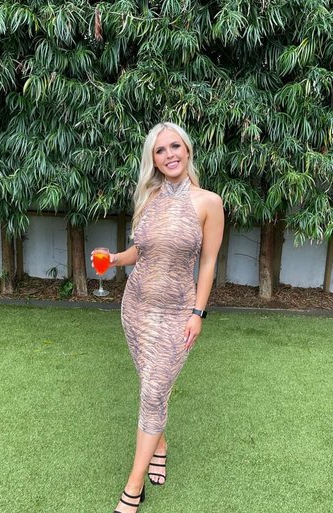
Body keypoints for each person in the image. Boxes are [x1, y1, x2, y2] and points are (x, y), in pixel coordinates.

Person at [94, 122, 224, 513]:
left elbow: (208, 262)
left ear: (188, 150)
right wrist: (115, 259)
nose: (170, 155)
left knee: (153, 392)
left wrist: (198, 313)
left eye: (175, 146)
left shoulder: (208, 202)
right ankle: (159, 445)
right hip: (136, 308)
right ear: (153, 159)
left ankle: (132, 489)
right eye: (160, 150)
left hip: (177, 312)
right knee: (152, 389)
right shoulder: (149, 197)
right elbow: (142, 249)